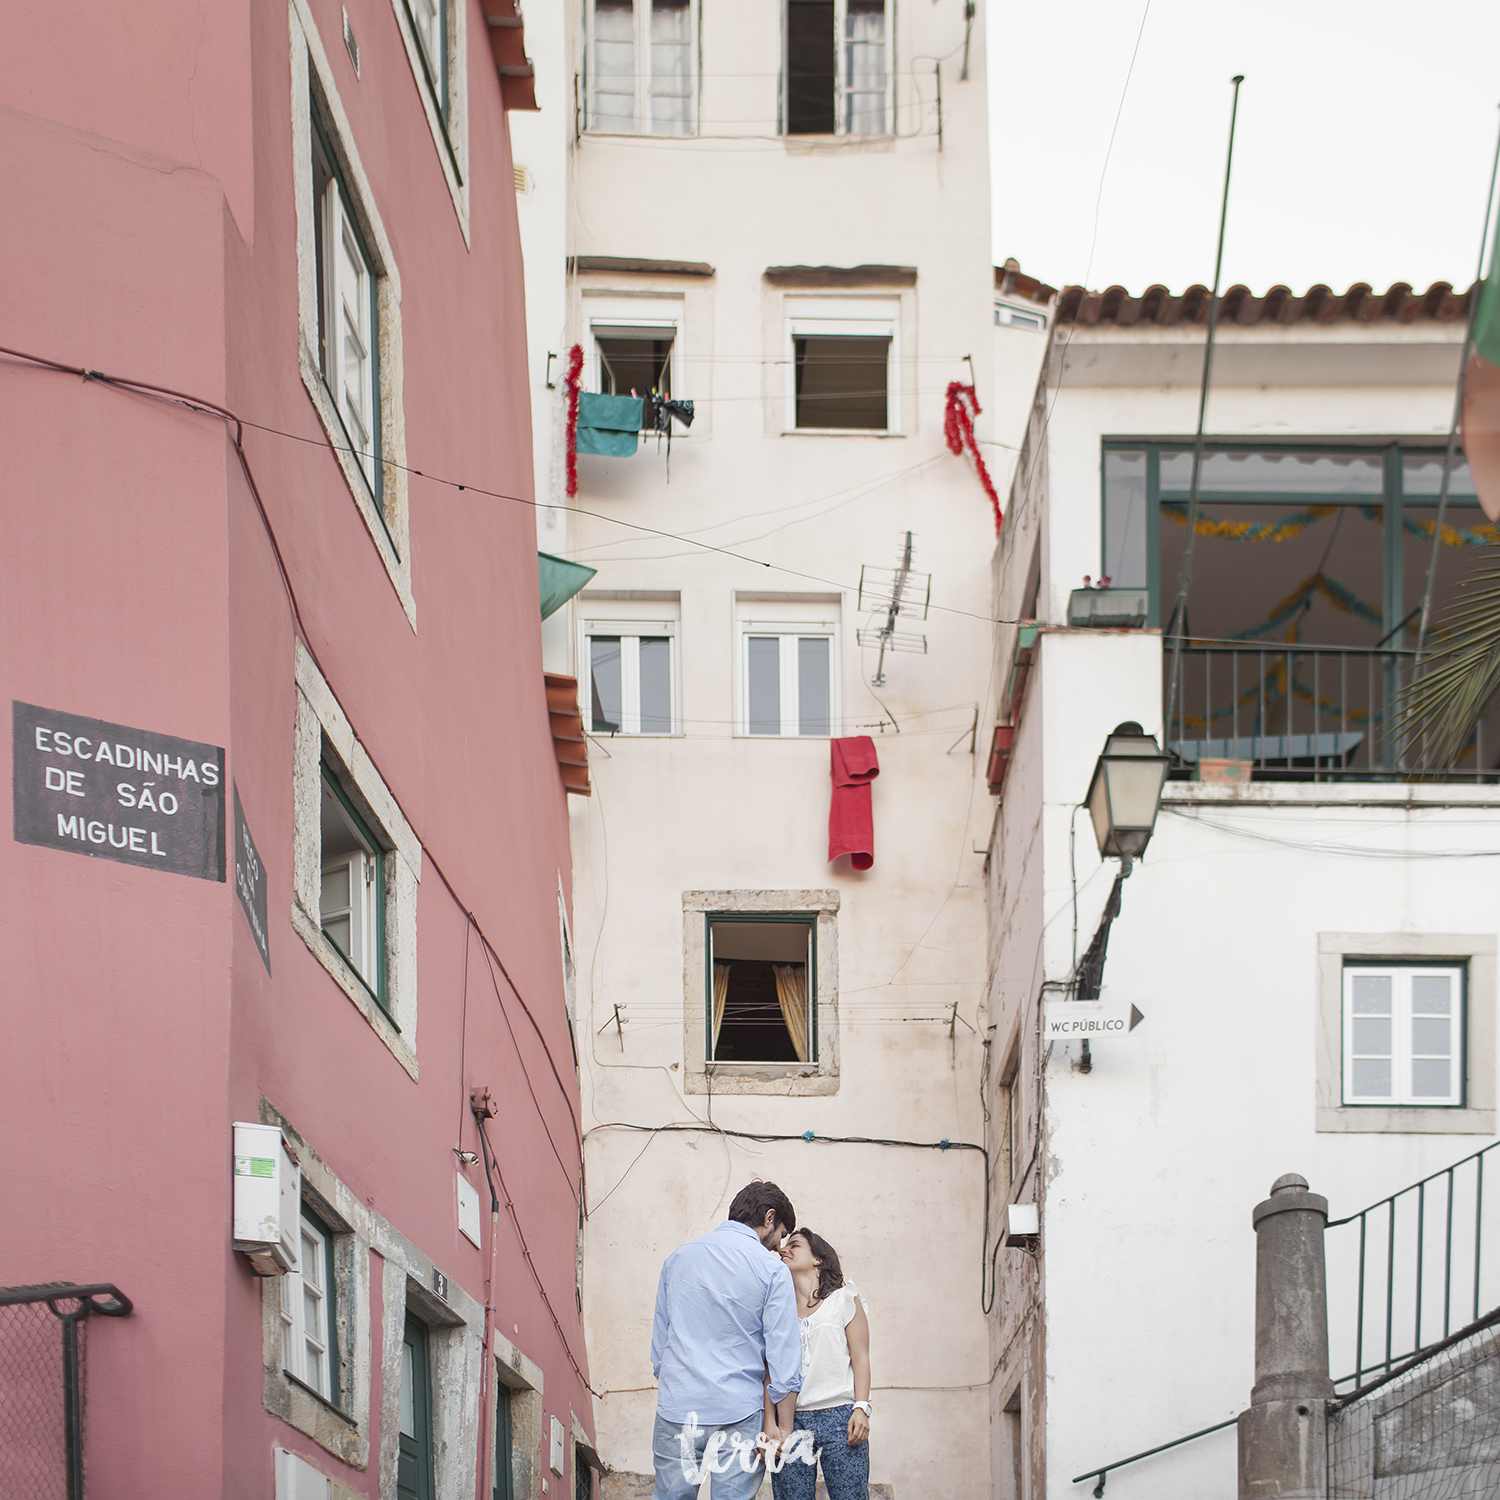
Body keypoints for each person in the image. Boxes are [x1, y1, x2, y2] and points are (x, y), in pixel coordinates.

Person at [650, 1180, 803, 1500]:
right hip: (739, 1412)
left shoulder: (678, 1258)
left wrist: (675, 1383)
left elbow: (661, 1344)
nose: (779, 1247)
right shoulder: (772, 1271)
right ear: (769, 1217)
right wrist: (784, 1427)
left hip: (677, 1407)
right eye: (782, 1235)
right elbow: (783, 1356)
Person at [764, 1229, 871, 1500]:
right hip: (793, 1420)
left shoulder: (844, 1298)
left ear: (818, 1260)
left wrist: (861, 1408)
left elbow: (861, 1358)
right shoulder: (778, 1310)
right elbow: (768, 1372)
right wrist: (771, 1423)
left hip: (840, 1417)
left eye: (795, 1245)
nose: (784, 1249)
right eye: (784, 1245)